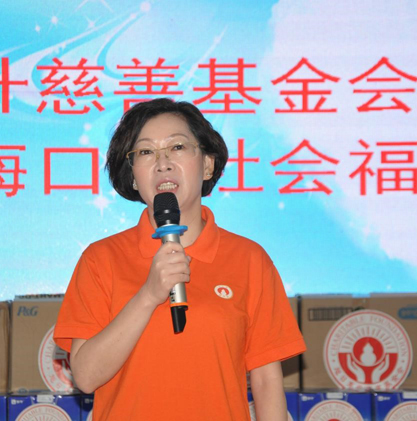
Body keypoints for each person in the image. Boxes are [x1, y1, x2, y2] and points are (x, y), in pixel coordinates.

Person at [54, 98, 306, 421]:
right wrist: (148, 295)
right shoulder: (100, 260)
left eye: (177, 147)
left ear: (207, 165)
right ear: (133, 176)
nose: (163, 163)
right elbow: (86, 376)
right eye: (146, 152)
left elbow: (267, 382)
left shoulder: (250, 260)